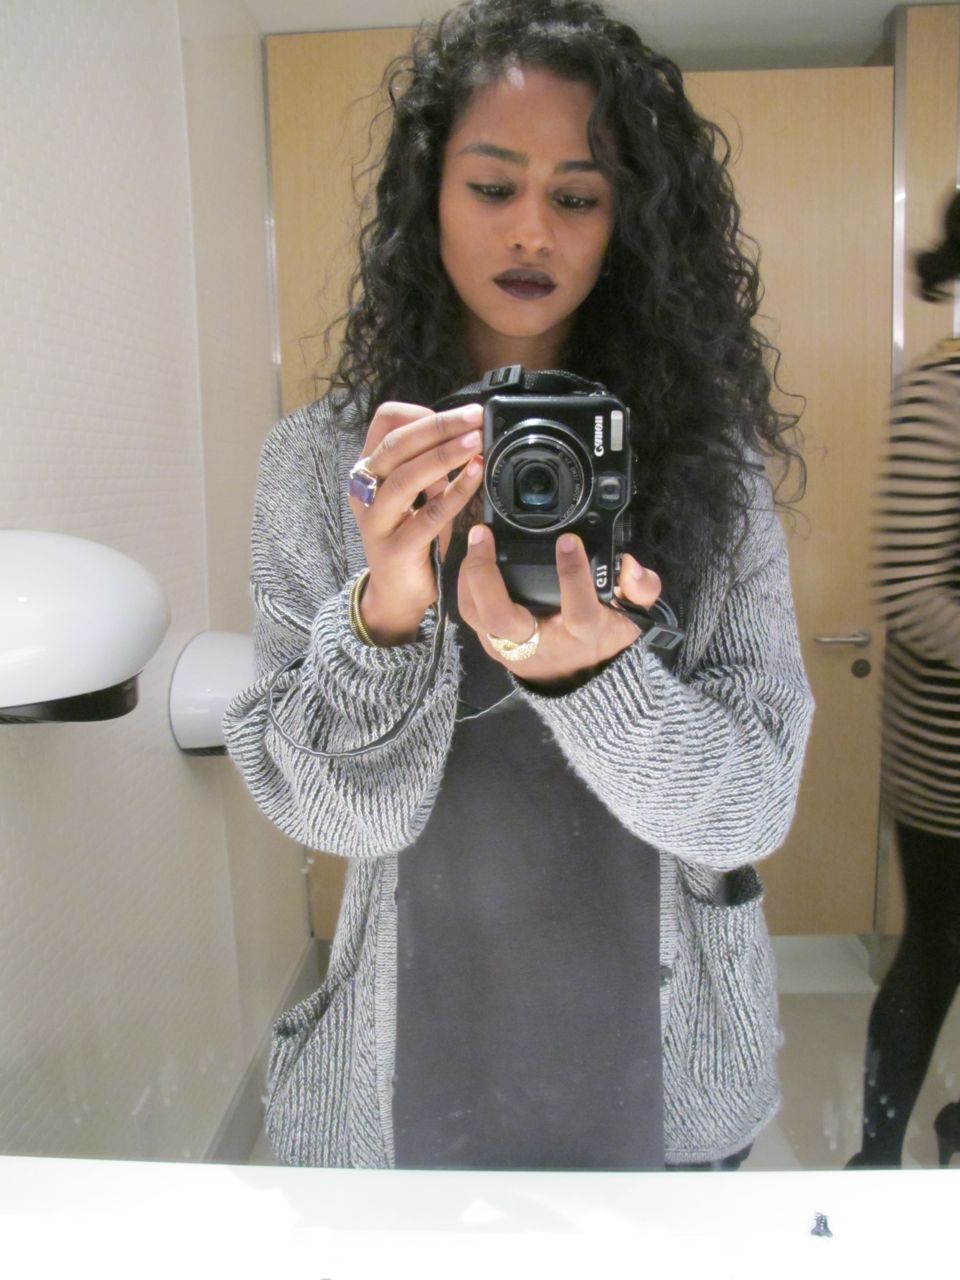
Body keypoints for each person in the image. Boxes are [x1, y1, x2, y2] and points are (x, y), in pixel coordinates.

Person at [223, 0, 813, 1171]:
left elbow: (755, 809)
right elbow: (337, 820)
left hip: (663, 1077)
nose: (532, 230)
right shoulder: (329, 466)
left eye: (577, 197)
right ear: (430, 199)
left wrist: (600, 679)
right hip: (409, 1064)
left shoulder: (706, 467)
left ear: (625, 221)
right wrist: (385, 614)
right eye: (492, 187)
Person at [848, 189, 960, 1169]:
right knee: (936, 954)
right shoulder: (945, 392)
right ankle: (874, 1159)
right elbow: (908, 587)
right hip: (950, 767)